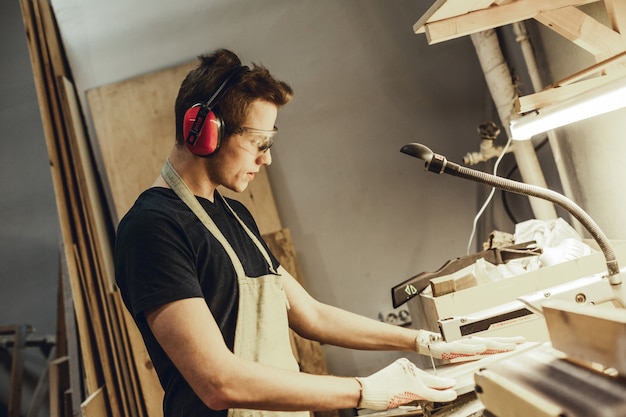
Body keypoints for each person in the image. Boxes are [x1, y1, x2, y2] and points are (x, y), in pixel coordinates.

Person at [114, 48, 522, 417]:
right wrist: (365, 390)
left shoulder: (234, 215)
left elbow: (311, 315)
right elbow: (218, 382)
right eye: (259, 142)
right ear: (203, 130)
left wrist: (424, 341)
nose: (267, 158)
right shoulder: (152, 229)